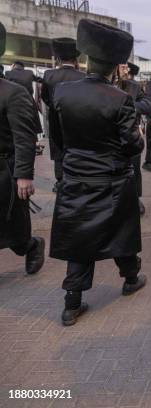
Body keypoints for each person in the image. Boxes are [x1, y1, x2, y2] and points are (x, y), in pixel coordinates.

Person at [49, 19, 146, 326]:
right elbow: (132, 147)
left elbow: (57, 139)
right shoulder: (121, 99)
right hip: (112, 181)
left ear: (87, 59)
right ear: (115, 67)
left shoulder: (62, 92)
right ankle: (130, 277)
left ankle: (72, 302)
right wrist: (140, 136)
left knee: (80, 240)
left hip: (77, 178)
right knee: (121, 234)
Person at [0, 22, 45, 276]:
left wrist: (24, 175)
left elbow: (24, 137)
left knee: (13, 232)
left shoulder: (12, 93)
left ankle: (30, 246)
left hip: (5, 172)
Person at [41, 37, 85, 193]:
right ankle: (75, 177)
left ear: (58, 58)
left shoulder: (48, 75)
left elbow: (44, 97)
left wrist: (54, 108)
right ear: (75, 58)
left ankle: (60, 180)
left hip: (55, 118)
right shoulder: (83, 77)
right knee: (75, 147)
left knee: (58, 149)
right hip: (77, 119)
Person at [116, 61, 151, 216]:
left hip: (131, 134)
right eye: (123, 67)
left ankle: (135, 199)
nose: (126, 70)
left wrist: (128, 106)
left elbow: (147, 105)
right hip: (110, 136)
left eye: (127, 67)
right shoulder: (104, 84)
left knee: (134, 168)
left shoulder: (134, 86)